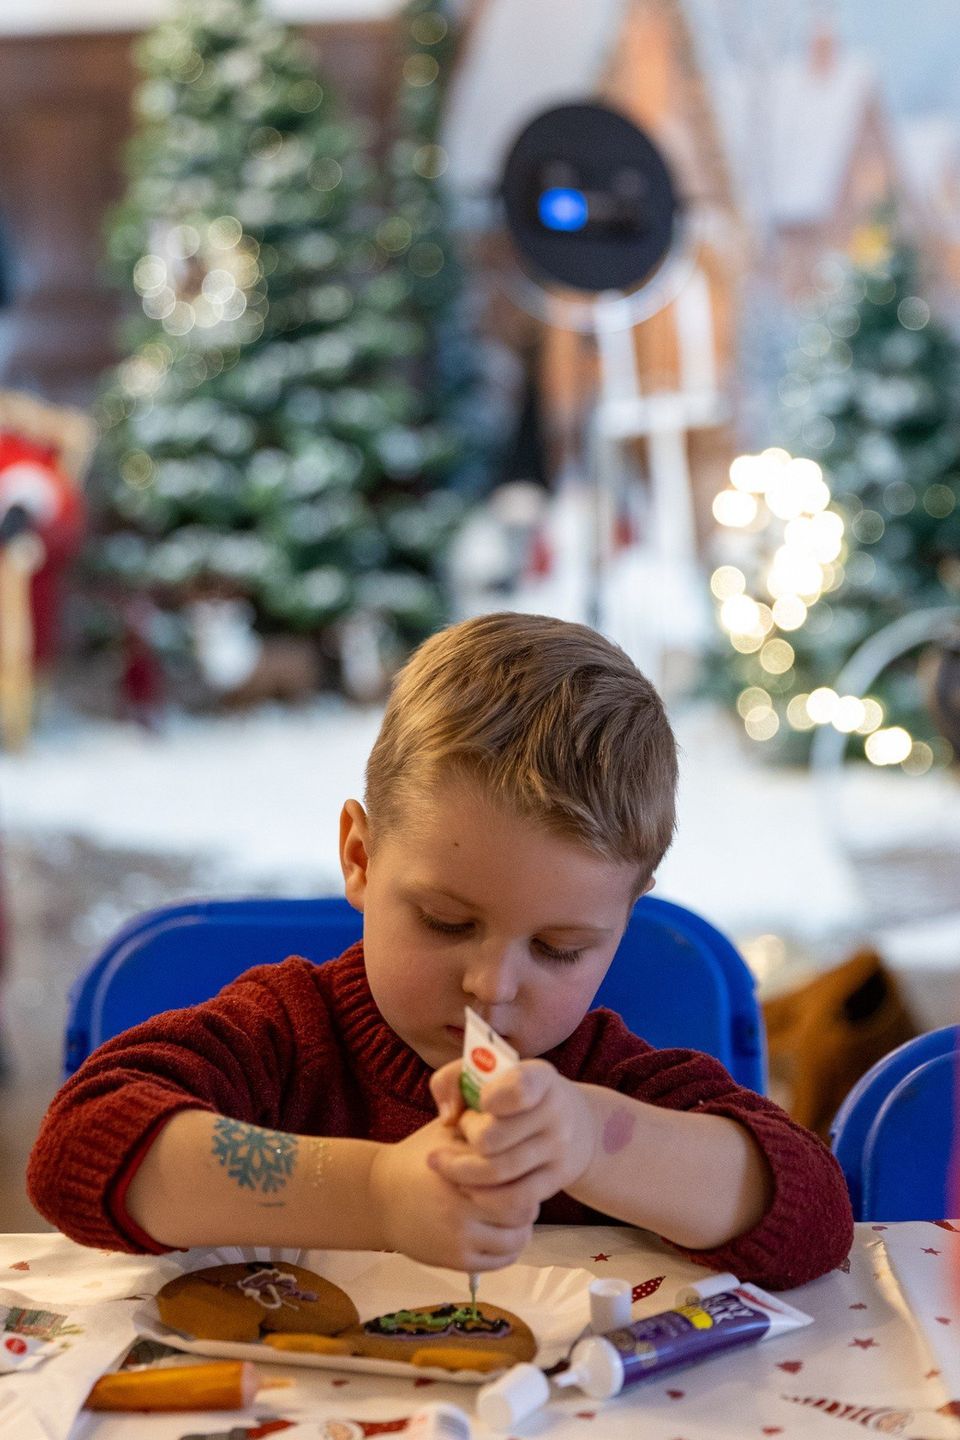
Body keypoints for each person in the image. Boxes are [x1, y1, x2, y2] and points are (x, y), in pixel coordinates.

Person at [28, 613, 852, 1289]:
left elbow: (817, 1214)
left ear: (622, 926)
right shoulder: (284, 1034)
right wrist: (379, 1196)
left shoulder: (603, 1075)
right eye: (446, 922)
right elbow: (80, 1147)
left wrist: (591, 1139)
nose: (492, 988)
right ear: (359, 857)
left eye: (561, 949)